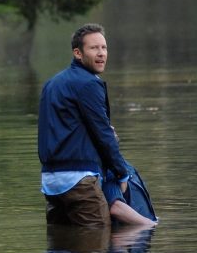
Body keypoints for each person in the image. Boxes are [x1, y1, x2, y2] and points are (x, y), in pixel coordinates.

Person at [38, 23, 129, 227]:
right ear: (78, 53)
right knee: (97, 239)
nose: (101, 53)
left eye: (104, 48)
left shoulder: (51, 83)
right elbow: (103, 133)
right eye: (94, 48)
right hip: (79, 180)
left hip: (51, 181)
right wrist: (122, 172)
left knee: (62, 248)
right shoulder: (88, 83)